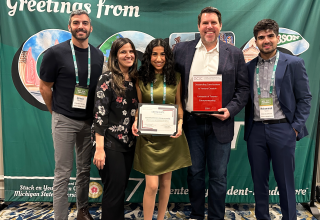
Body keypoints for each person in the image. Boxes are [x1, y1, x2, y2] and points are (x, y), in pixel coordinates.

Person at [173, 7, 249, 220]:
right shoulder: (181, 50)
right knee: (194, 173)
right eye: (205, 23)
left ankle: (216, 216)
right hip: (191, 123)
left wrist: (230, 110)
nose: (209, 26)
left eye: (213, 23)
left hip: (221, 123)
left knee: (218, 176)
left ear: (220, 26)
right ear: (198, 26)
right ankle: (197, 214)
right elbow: (172, 84)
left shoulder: (233, 53)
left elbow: (243, 89)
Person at [244, 19, 312, 220]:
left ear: (277, 38)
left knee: (285, 181)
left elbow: (305, 98)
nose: (266, 40)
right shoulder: (248, 68)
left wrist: (296, 128)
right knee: (259, 181)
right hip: (256, 130)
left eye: (270, 36)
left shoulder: (294, 63)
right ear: (255, 41)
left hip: (283, 129)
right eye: (261, 37)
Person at [39, 9, 103, 220]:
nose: (80, 27)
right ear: (69, 27)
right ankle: (60, 217)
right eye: (76, 23)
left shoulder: (98, 55)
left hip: (88, 122)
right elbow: (45, 87)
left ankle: (82, 211)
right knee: (63, 173)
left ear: (90, 28)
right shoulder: (55, 53)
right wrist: (55, 112)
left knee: (84, 170)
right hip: (64, 120)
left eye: (85, 23)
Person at [132, 38, 192, 220]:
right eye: (154, 54)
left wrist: (180, 124)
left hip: (170, 136)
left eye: (163, 54)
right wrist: (136, 121)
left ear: (168, 56)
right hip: (149, 137)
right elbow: (139, 105)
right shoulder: (140, 78)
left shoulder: (176, 77)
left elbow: (179, 105)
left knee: (166, 183)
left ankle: (160, 218)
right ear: (149, 56)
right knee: (151, 185)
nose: (159, 59)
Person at [92, 38, 138, 220]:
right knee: (113, 192)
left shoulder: (135, 79)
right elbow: (99, 114)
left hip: (128, 143)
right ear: (115, 56)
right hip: (109, 143)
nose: (128, 55)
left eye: (131, 51)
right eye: (123, 52)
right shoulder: (107, 78)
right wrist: (100, 149)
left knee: (119, 190)